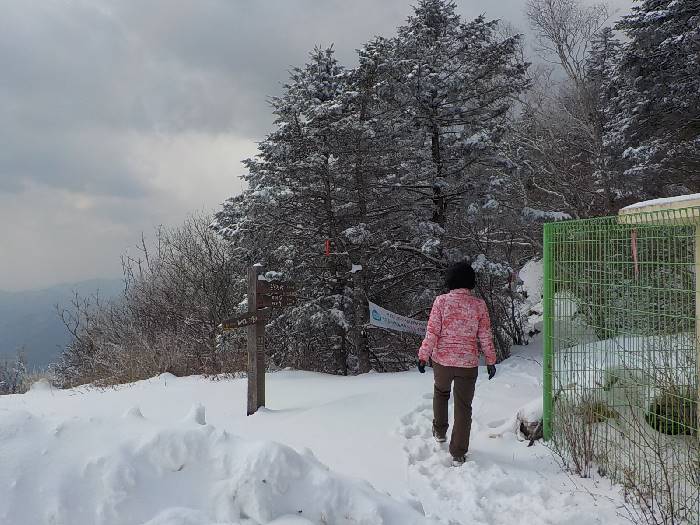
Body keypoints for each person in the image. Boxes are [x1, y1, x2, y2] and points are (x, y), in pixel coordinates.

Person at [417, 261, 497, 464]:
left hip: (442, 361)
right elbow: (485, 335)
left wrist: (423, 355)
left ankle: (440, 431)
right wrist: (490, 360)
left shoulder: (441, 301)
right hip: (468, 364)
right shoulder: (479, 305)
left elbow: (432, 331)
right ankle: (458, 451)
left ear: (450, 280)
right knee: (463, 406)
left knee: (441, 393)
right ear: (471, 281)